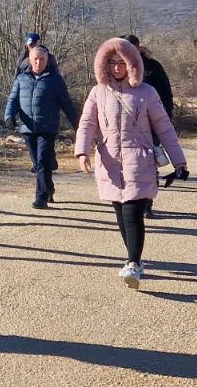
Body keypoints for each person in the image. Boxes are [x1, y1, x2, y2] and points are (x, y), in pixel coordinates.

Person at [74, 37, 186, 289]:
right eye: (112, 62)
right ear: (104, 64)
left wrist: (178, 161)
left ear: (132, 63)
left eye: (122, 62)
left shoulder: (147, 92)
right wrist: (82, 152)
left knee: (132, 212)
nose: (117, 67)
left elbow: (164, 127)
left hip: (139, 160)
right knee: (120, 214)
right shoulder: (98, 92)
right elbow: (87, 124)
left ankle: (133, 263)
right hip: (110, 162)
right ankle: (134, 258)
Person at [6, 44, 80, 209]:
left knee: (42, 162)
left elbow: (66, 103)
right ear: (30, 60)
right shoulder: (21, 78)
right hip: (27, 128)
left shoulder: (55, 80)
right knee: (37, 163)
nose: (38, 62)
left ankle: (41, 197)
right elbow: (13, 99)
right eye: (35, 59)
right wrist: (9, 116)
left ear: (47, 61)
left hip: (47, 127)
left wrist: (77, 124)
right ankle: (49, 188)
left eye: (42, 59)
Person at [122, 35, 175, 218]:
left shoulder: (153, 67)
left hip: (151, 124)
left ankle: (146, 203)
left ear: (139, 48)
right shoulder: (117, 67)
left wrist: (165, 120)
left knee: (149, 164)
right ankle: (131, 200)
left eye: (131, 47)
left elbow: (166, 96)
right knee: (127, 165)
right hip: (125, 126)